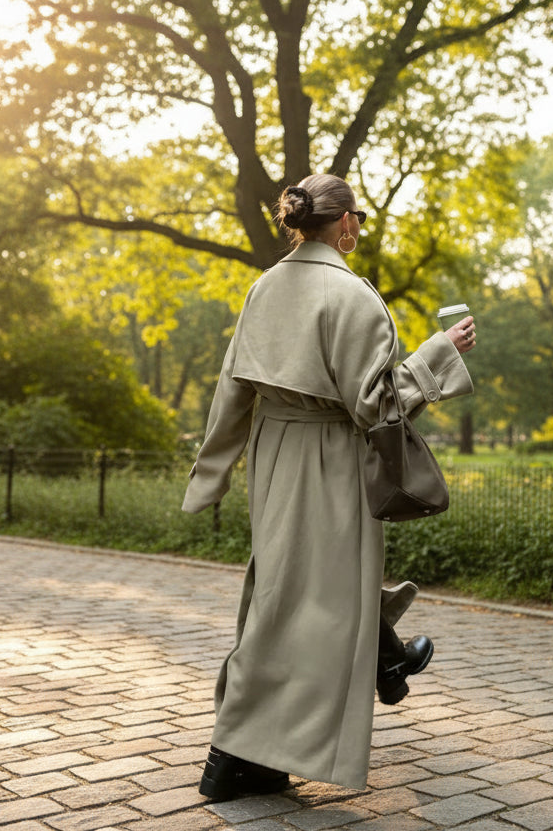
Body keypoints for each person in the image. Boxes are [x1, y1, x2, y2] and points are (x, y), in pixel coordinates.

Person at [182, 173, 476, 800]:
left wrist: (213, 472)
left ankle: (365, 671)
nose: (360, 229)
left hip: (273, 456)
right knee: (311, 605)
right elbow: (376, 408)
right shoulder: (354, 297)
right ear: (343, 224)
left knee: (290, 595)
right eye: (359, 219)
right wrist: (437, 357)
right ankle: (233, 757)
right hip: (331, 459)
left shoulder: (263, 287)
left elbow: (232, 389)